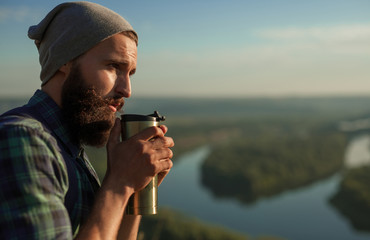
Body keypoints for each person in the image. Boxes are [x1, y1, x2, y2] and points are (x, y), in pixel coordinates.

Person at [0, 2, 174, 239]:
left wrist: (135, 188)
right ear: (65, 60)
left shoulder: (68, 147)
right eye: (113, 66)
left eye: (130, 73)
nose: (126, 90)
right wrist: (119, 183)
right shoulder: (22, 139)